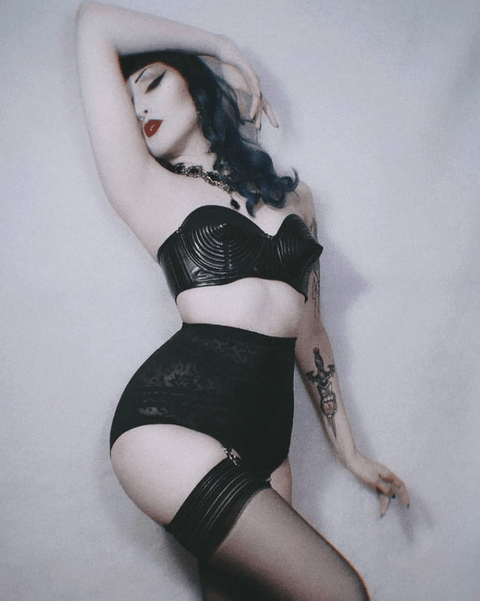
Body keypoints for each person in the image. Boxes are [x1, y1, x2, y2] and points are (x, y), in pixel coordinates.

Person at [76, 3, 410, 599]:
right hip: (170, 424)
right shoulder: (145, 187)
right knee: (342, 593)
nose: (140, 107)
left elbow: (310, 333)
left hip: (267, 439)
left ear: (195, 87)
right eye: (129, 101)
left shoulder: (297, 201)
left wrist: (350, 452)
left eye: (152, 83)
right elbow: (93, 23)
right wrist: (219, 44)